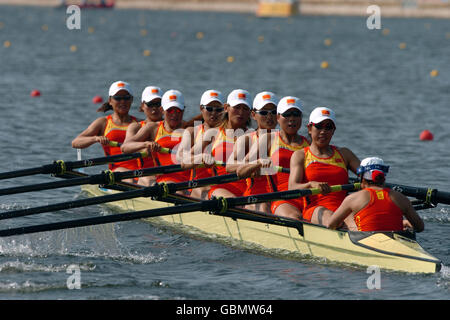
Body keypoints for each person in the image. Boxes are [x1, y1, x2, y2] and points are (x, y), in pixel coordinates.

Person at [238, 96, 310, 216]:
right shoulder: (267, 138)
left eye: (296, 114)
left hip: (304, 197)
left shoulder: (309, 143)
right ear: (279, 118)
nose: (292, 119)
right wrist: (259, 163)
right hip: (278, 199)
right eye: (287, 115)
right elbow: (240, 171)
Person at [288, 107, 360, 223]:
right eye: (319, 126)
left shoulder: (345, 154)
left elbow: (367, 176)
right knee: (329, 215)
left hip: (342, 210)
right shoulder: (300, 155)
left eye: (328, 127)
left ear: (333, 131)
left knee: (353, 218)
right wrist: (311, 185)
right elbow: (292, 187)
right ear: (310, 128)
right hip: (315, 209)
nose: (323, 131)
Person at [327, 157, 425, 232]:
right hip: (396, 242)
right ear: (384, 177)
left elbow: (331, 225)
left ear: (361, 177)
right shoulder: (401, 198)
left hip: (365, 243)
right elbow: (420, 227)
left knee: (350, 216)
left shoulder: (353, 199)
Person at [121, 89, 191, 187]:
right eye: (170, 110)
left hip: (188, 183)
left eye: (178, 110)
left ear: (183, 110)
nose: (174, 114)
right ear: (162, 110)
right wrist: (146, 144)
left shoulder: (190, 129)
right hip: (164, 180)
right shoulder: (152, 128)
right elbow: (125, 147)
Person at [71, 81, 140, 179]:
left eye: (126, 98)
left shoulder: (140, 123)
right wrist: (95, 138)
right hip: (118, 172)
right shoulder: (103, 123)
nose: (123, 101)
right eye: (118, 98)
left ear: (131, 100)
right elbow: (76, 142)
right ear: (110, 101)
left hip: (142, 172)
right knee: (128, 177)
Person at [178, 89, 225, 199]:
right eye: (209, 109)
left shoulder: (230, 134)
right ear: (201, 109)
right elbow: (180, 158)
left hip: (224, 187)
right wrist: (201, 157)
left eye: (218, 110)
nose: (213, 113)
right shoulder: (191, 132)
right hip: (198, 187)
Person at [207, 89, 252, 199]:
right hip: (220, 189)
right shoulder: (212, 134)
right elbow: (185, 161)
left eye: (245, 108)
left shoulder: (254, 136)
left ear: (250, 113)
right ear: (226, 108)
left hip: (248, 191)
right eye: (237, 108)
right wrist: (201, 157)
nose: (241, 112)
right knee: (234, 201)